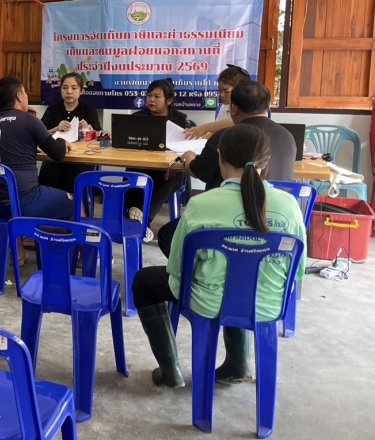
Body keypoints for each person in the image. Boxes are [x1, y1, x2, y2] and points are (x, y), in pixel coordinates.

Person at [130, 124, 306, 388]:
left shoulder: (202, 204)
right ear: (267, 161)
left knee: (144, 282)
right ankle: (238, 362)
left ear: (220, 158)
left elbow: (177, 268)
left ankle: (170, 371)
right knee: (241, 281)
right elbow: (298, 269)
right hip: (269, 304)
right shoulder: (289, 205)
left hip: (208, 301)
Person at [156, 80, 296, 257]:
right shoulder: (288, 136)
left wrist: (188, 159)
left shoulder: (228, 137)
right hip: (276, 224)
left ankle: (197, 272)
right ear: (268, 106)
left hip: (224, 222)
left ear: (234, 109)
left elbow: (199, 171)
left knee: (167, 236)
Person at [0, 76, 74, 220]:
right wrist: (62, 140)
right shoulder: (29, 120)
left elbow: (14, 133)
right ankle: (71, 235)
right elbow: (57, 154)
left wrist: (26, 117)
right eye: (25, 92)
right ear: (19, 96)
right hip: (24, 201)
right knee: (76, 203)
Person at [125, 79, 189, 241]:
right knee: (131, 173)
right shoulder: (137, 117)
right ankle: (136, 216)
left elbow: (184, 147)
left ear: (169, 101)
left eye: (156, 96)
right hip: (143, 164)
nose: (151, 100)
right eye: (149, 95)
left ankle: (142, 217)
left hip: (167, 167)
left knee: (174, 178)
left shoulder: (180, 120)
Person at [38, 71, 106, 193]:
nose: (69, 92)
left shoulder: (88, 110)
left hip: (81, 157)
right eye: (65, 88)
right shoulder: (53, 109)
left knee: (73, 181)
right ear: (60, 90)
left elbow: (100, 137)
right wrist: (56, 129)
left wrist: (88, 129)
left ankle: (72, 202)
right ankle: (49, 201)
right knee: (48, 179)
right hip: (56, 155)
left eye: (74, 88)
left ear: (81, 91)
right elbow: (40, 134)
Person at [184, 64, 252, 139]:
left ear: (240, 90)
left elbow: (237, 121)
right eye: (220, 90)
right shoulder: (225, 107)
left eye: (226, 91)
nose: (222, 95)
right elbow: (216, 131)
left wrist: (204, 128)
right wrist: (200, 136)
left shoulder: (251, 107)